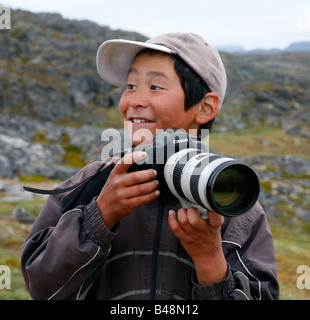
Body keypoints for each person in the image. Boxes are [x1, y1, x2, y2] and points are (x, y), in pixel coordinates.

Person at [21, 32, 279, 300]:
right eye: (130, 86)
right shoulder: (93, 182)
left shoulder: (232, 199)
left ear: (204, 107)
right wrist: (101, 215)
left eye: (155, 87)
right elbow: (41, 288)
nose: (134, 101)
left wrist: (209, 258)